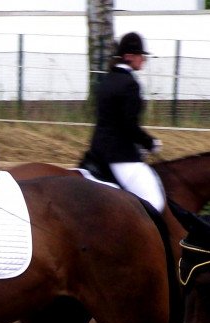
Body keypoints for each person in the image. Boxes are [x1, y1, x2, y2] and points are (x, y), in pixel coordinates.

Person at [85, 31, 165, 212]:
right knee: (154, 202)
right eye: (141, 56)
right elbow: (129, 125)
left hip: (97, 151)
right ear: (129, 56)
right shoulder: (130, 84)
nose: (143, 60)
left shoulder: (105, 80)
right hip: (120, 156)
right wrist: (150, 143)